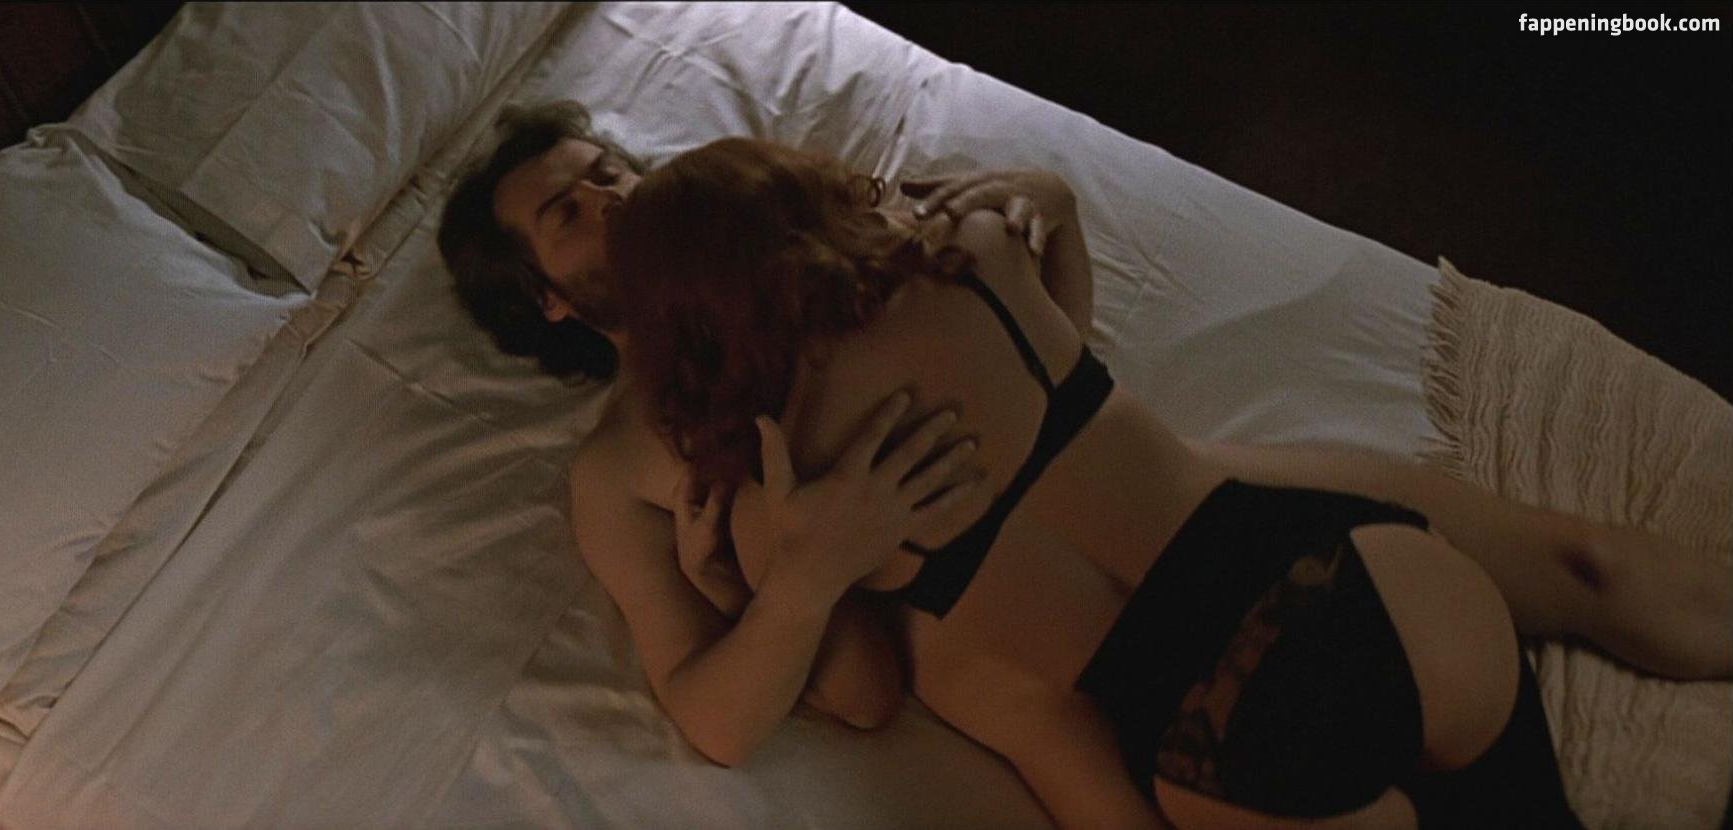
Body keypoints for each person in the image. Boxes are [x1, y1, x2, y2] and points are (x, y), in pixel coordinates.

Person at [435, 101, 1731, 773]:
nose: (614, 197)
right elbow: (735, 713)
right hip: (1024, 640)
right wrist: (790, 581)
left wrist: (1051, 219)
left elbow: (1058, 382)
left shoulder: (805, 244)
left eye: (608, 168)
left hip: (1175, 495)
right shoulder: (622, 468)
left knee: (1585, 566)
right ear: (547, 298)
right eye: (569, 210)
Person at [609, 136, 1589, 828]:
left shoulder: (777, 499)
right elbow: (1070, 371)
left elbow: (859, 690)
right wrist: (1060, 217)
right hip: (1366, 572)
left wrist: (736, 589)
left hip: (1227, 738)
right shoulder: (974, 252)